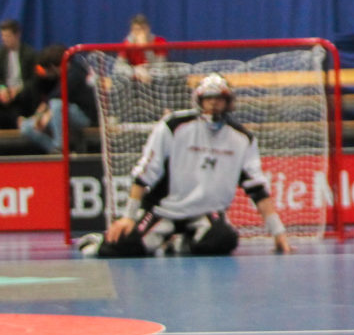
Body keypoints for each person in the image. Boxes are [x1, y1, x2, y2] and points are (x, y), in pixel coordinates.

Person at [77, 73, 292, 257]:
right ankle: (96, 242)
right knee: (123, 244)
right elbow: (144, 173)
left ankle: (179, 243)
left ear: (229, 102)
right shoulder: (174, 126)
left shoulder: (242, 139)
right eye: (208, 99)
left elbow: (257, 190)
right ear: (199, 101)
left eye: (219, 99)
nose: (214, 104)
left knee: (224, 240)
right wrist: (128, 217)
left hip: (205, 213)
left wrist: (278, 232)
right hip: (164, 210)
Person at [18, 44, 98, 154]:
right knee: (26, 127)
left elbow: (57, 99)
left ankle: (60, 145)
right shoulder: (62, 76)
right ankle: (57, 151)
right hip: (61, 115)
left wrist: (44, 118)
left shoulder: (76, 73)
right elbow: (49, 99)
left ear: (55, 67)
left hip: (84, 116)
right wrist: (36, 117)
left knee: (56, 105)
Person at [0, 18, 37, 128]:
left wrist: (18, 90)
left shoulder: (30, 54)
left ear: (17, 35)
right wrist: (2, 88)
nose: (4, 39)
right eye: (3, 36)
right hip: (5, 94)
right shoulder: (1, 55)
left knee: (17, 107)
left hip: (22, 95)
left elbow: (34, 80)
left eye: (8, 36)